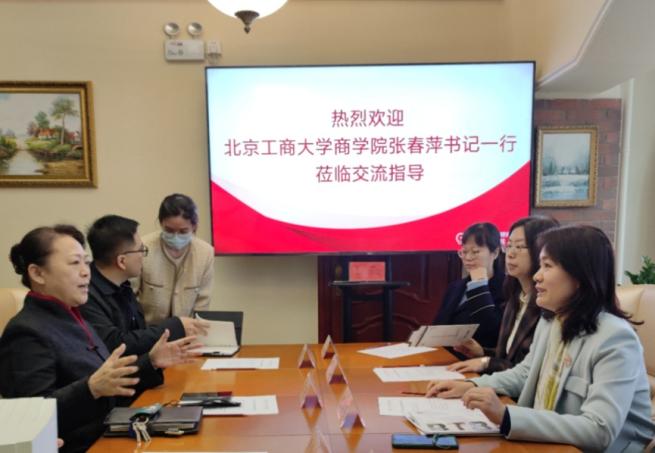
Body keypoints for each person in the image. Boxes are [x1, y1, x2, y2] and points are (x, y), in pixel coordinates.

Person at [426, 225, 654, 452]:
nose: (537, 276)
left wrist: (506, 416)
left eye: (547, 266)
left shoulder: (615, 338)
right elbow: (525, 373)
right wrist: (470, 385)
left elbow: (599, 430)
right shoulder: (552, 321)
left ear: (579, 276)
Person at [0, 225, 197, 453]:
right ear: (37, 273)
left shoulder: (72, 316)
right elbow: (30, 419)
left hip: (113, 436)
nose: (86, 272)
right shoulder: (26, 332)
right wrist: (90, 388)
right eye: (75, 263)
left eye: (86, 262)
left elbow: (107, 383)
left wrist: (151, 361)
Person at [81, 215, 208, 356]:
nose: (143, 255)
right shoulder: (86, 296)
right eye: (141, 250)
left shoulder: (123, 285)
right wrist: (174, 326)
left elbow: (137, 333)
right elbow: (116, 344)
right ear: (122, 261)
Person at [448, 216, 559, 374]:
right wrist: (482, 353)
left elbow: (528, 372)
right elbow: (508, 357)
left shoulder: (548, 304)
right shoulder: (516, 296)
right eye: (509, 245)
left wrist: (486, 362)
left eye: (519, 247)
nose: (510, 253)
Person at [135, 193, 215, 325]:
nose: (175, 236)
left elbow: (202, 303)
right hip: (147, 329)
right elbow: (130, 297)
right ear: (161, 223)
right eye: (169, 230)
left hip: (187, 329)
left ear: (194, 226)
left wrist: (194, 330)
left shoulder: (205, 253)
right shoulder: (143, 248)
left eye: (183, 231)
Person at [433, 222, 505, 350]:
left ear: (495, 252)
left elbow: (493, 332)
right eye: (464, 252)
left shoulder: (506, 287)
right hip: (445, 354)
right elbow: (438, 325)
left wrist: (479, 286)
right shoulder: (455, 287)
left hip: (479, 357)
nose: (468, 258)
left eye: (475, 252)